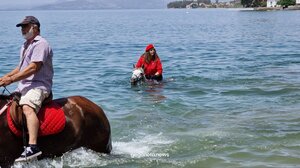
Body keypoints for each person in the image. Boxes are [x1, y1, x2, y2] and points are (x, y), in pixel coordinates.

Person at [0, 16, 53, 162]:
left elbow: (34, 67)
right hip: (24, 86)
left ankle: (33, 146)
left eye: (25, 26)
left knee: (27, 108)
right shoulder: (25, 45)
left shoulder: (41, 44)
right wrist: (5, 77)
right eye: (21, 27)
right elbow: (21, 68)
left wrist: (11, 80)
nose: (22, 30)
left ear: (35, 27)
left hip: (38, 85)